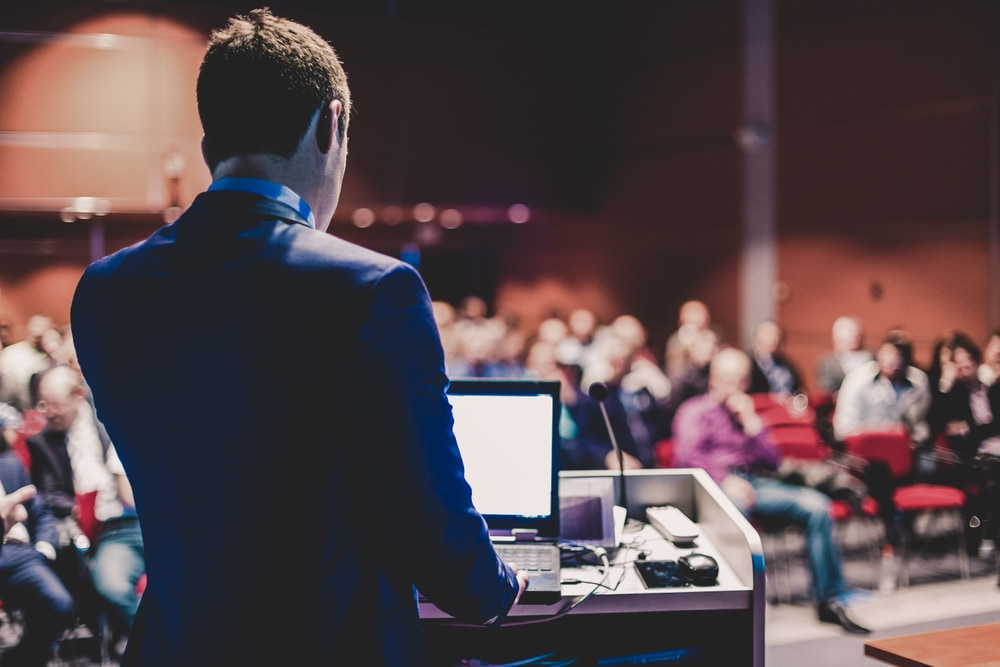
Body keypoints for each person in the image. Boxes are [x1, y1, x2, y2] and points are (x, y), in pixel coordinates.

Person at [70, 9, 525, 666]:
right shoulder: (374, 289)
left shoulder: (105, 290)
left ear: (207, 147)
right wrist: (502, 587)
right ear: (331, 123)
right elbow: (435, 529)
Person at [672, 348, 869, 633]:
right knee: (735, 510)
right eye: (727, 378)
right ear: (713, 380)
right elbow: (686, 456)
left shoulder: (748, 413)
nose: (734, 386)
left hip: (756, 482)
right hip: (714, 486)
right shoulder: (694, 411)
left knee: (817, 506)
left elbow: (772, 461)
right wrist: (724, 478)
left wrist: (753, 426)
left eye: (741, 380)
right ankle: (737, 605)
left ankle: (830, 600)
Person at [27, 367, 145, 653]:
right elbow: (48, 494)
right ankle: (153, 645)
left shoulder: (111, 421)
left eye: (55, 404)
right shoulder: (43, 442)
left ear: (79, 396)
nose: (48, 412)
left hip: (148, 517)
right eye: (43, 404)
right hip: (111, 529)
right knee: (111, 586)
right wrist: (78, 507)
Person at [0, 444, 74, 666]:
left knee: (58, 603)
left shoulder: (10, 464)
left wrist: (43, 548)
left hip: (20, 552)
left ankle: (22, 659)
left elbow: (40, 510)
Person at [815, 316, 874, 397]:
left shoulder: (871, 358)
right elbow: (826, 391)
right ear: (837, 337)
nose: (854, 336)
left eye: (856, 333)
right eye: (849, 333)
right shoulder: (827, 363)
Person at [747, 320, 806, 397]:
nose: (774, 338)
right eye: (768, 334)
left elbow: (800, 390)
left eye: (777, 335)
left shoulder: (789, 365)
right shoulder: (748, 365)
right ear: (756, 338)